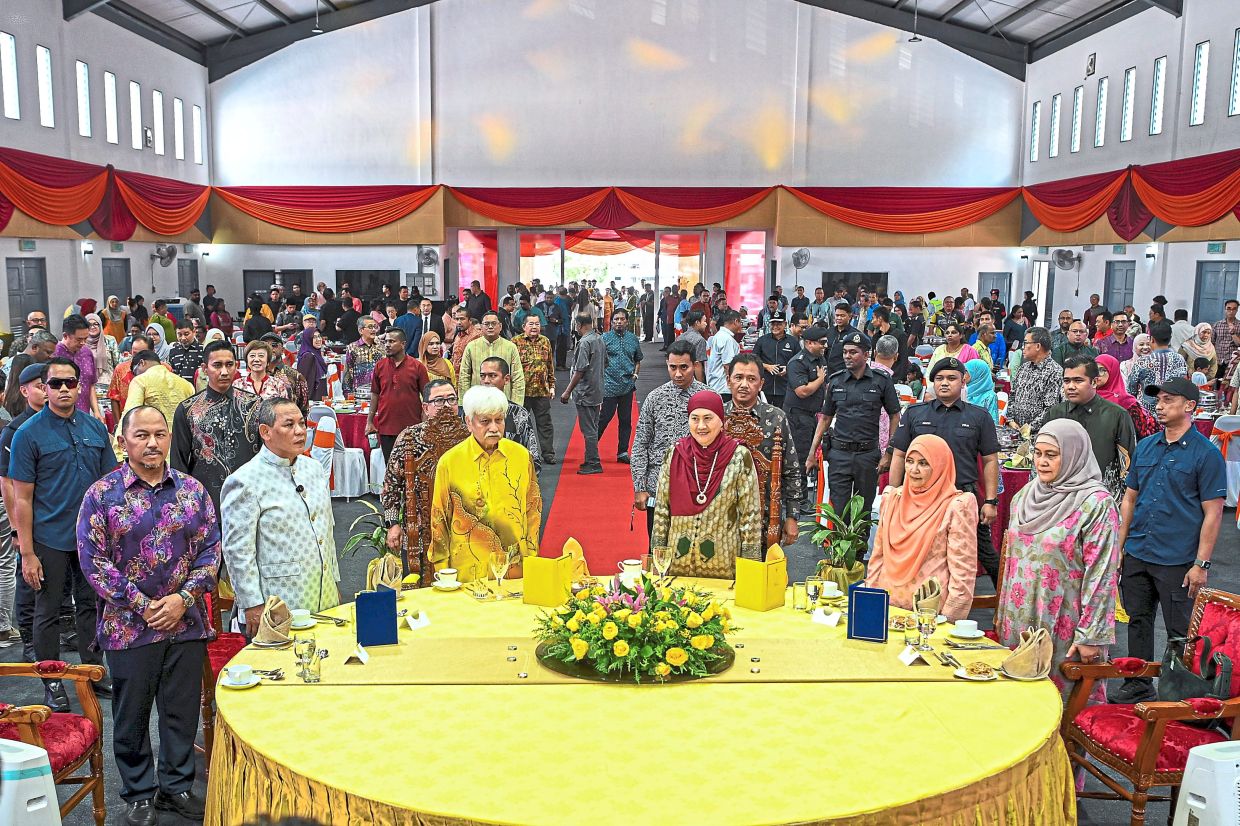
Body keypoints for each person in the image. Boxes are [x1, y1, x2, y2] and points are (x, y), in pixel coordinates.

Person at [77, 405, 219, 825]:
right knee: (132, 716)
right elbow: (93, 561)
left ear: (169, 439)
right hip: (128, 628)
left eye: (159, 434)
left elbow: (211, 549)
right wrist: (143, 605)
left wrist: (183, 599)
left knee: (180, 713)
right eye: (142, 435)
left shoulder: (192, 491)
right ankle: (138, 793)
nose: (152, 442)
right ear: (123, 441)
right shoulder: (102, 495)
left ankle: (176, 788)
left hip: (186, 623)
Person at [10, 357, 118, 709]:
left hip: (92, 538)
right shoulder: (27, 434)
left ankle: (92, 671)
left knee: (92, 605)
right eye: (55, 384)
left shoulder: (94, 428)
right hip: (49, 538)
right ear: (44, 388)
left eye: (70, 382)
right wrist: (27, 552)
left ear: (79, 386)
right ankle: (52, 680)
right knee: (49, 610)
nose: (63, 389)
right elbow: (22, 498)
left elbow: (109, 487)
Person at [1111, 378, 1227, 704]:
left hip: (1178, 558)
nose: (1159, 406)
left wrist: (1201, 563)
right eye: (1158, 400)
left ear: (1190, 406)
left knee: (1180, 631)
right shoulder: (1147, 446)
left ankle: (1177, 694)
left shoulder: (1206, 454)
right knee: (1138, 621)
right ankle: (1138, 683)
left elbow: (1213, 513)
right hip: (1138, 550)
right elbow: (1130, 499)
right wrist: (1120, 547)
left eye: (1168, 400)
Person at [998, 419, 1120, 701]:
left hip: (1064, 621)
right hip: (1018, 618)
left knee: (1058, 701)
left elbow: (1102, 573)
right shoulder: (1024, 496)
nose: (1041, 462)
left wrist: (1091, 635)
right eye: (1038, 453)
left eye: (1052, 455)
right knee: (1015, 700)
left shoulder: (1096, 504)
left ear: (1074, 454)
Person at [221, 399, 340, 631]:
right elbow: (237, 551)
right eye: (289, 425)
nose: (300, 431)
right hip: (277, 603)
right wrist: (252, 603)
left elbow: (326, 530)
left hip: (323, 595)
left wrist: (333, 581)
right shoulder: (245, 481)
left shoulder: (314, 469)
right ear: (266, 432)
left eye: (302, 423)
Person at [889, 356, 1001, 584]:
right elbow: (899, 454)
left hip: (962, 495)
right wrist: (893, 492)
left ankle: (1006, 599)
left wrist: (990, 501)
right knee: (919, 550)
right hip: (921, 497)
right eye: (939, 378)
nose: (945, 383)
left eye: (952, 378)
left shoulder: (979, 416)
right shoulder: (915, 413)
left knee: (984, 553)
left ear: (963, 382)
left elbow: (990, 460)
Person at [429, 386, 540, 582]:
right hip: (467, 572)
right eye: (485, 421)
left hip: (515, 567)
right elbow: (439, 520)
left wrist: (531, 556)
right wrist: (443, 571)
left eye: (499, 420)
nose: (494, 428)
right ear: (469, 422)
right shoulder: (450, 462)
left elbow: (533, 510)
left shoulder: (521, 456)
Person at [650, 390, 761, 577]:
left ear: (721, 420)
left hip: (725, 570)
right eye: (695, 419)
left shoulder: (738, 456)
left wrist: (750, 574)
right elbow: (661, 511)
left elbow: (750, 516)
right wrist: (657, 565)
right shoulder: (675, 454)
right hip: (677, 568)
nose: (701, 426)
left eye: (708, 418)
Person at [867, 434, 977, 620]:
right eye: (909, 461)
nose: (914, 470)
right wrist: (870, 600)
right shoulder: (893, 499)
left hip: (929, 614)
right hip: (885, 608)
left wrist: (949, 620)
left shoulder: (956, 506)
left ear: (941, 466)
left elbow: (963, 571)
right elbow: (878, 557)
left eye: (924, 463)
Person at [808, 332, 901, 520]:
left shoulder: (881, 380)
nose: (847, 356)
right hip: (839, 455)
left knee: (862, 515)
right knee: (839, 513)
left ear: (866, 355)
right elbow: (825, 419)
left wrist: (889, 453)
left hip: (867, 456)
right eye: (845, 352)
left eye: (853, 352)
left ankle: (859, 542)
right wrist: (811, 454)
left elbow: (895, 416)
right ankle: (840, 541)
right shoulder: (836, 381)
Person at [380, 380, 469, 569]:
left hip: (464, 532)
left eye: (451, 400)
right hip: (419, 534)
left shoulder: (468, 436)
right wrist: (393, 524)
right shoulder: (409, 438)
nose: (446, 406)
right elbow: (391, 485)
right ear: (426, 408)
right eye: (439, 401)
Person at [171, 340, 262, 514]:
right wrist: (186, 503)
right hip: (205, 501)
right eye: (217, 365)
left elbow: (265, 453)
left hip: (249, 499)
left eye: (229, 365)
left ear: (237, 366)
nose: (224, 372)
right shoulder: (188, 410)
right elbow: (179, 462)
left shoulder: (254, 405)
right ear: (205, 369)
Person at [631, 341, 709, 545]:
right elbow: (640, 444)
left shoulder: (708, 399)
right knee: (658, 547)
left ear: (695, 365)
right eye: (673, 367)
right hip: (658, 487)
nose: (678, 374)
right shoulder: (655, 398)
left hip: (697, 488)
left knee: (694, 549)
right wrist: (639, 486)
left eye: (684, 367)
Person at [725, 354, 802, 544]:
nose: (744, 384)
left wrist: (792, 516)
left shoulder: (776, 418)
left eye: (751, 379)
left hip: (766, 518)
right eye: (738, 377)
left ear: (761, 384)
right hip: (721, 518)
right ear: (728, 381)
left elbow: (791, 469)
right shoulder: (716, 416)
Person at [0, 364, 50, 658]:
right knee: (27, 578)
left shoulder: (60, 423)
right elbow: (7, 484)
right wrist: (16, 529)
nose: (47, 391)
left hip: (53, 516)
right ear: (24, 390)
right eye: (40, 386)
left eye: (48, 385)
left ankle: (56, 635)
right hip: (27, 516)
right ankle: (30, 642)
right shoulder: (15, 430)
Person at [1043, 356, 1136, 500]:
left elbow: (1128, 466)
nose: (1071, 386)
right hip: (1059, 496)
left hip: (1101, 498)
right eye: (1066, 381)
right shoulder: (1055, 414)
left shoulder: (1117, 415)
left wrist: (1122, 503)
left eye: (1078, 380)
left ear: (1094, 382)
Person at [367, 328, 429, 461]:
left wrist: (424, 422)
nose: (387, 345)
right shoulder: (379, 366)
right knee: (390, 467)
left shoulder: (417, 367)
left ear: (403, 344)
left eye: (391, 341)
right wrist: (370, 421)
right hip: (386, 427)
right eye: (386, 341)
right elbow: (375, 395)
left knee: (412, 467)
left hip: (412, 428)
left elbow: (427, 396)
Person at [784, 326, 829, 509]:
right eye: (822, 343)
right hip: (797, 416)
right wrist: (819, 379)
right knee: (800, 456)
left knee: (810, 454)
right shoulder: (797, 363)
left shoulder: (820, 359)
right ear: (809, 343)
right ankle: (799, 500)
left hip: (812, 415)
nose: (825, 346)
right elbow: (802, 391)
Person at [559, 314, 605, 475]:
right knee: (593, 426)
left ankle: (593, 462)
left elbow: (579, 370)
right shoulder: (599, 339)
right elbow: (605, 363)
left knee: (589, 430)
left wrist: (567, 391)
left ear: (579, 325)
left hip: (585, 391)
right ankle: (590, 459)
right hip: (597, 389)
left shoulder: (585, 342)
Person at [479, 357, 541, 473]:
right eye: (483, 376)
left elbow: (532, 459)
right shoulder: (471, 413)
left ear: (506, 379)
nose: (486, 381)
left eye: (492, 376)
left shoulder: (519, 414)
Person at [597, 309, 642, 464]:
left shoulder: (633, 339)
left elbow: (638, 359)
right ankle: (591, 449)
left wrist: (635, 376)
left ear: (627, 322)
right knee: (604, 418)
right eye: (616, 319)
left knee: (625, 420)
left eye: (622, 319)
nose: (619, 322)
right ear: (612, 321)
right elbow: (597, 359)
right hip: (609, 386)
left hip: (627, 386)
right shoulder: (604, 338)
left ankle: (622, 452)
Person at [124, 350, 196, 441]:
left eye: (135, 372)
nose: (136, 375)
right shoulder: (187, 384)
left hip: (154, 441)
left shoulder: (140, 380)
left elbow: (131, 414)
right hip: (182, 441)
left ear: (142, 363)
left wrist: (119, 445)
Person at [515, 315, 555, 468]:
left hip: (542, 391)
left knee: (545, 424)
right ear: (524, 326)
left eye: (537, 324)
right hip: (522, 392)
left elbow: (550, 365)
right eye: (531, 324)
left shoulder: (545, 341)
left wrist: (552, 385)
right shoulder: (515, 342)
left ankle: (548, 453)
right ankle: (523, 453)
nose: (534, 327)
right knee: (521, 425)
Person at [1126, 320, 1188, 416]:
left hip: (1148, 414)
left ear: (1152, 339)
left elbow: (1131, 390)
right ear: (1170, 338)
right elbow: (1183, 385)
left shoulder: (1143, 361)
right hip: (1172, 412)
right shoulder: (1180, 359)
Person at [1095, 354, 1161, 441]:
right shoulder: (1086, 396)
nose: (1097, 374)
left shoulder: (1126, 401)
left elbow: (1150, 429)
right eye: (1094, 370)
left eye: (1102, 370)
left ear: (1113, 371)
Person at [461, 313, 526, 402]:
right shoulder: (471, 347)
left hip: (504, 400)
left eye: (494, 323)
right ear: (481, 327)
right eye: (486, 324)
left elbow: (517, 378)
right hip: (477, 401)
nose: (490, 327)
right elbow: (464, 376)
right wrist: (463, 403)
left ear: (500, 326)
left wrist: (516, 404)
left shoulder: (511, 347)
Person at [1009, 327, 1063, 432]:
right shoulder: (1023, 368)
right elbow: (1012, 395)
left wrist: (1029, 428)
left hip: (1039, 434)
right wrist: (1010, 420)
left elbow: (1050, 408)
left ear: (1038, 346)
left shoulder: (1054, 371)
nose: (1023, 347)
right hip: (1016, 430)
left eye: (1026, 343)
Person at [54, 314, 105, 420]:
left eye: (85, 339)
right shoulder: (54, 354)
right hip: (61, 415)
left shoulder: (86, 352)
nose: (83, 343)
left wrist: (96, 411)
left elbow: (90, 384)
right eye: (78, 339)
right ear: (65, 336)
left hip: (84, 414)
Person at [4, 329, 57, 417]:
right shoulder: (11, 367)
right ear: (34, 347)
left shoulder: (42, 365)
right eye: (48, 352)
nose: (51, 356)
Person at [706, 310, 743, 400]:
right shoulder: (727, 339)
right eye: (740, 322)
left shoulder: (720, 335)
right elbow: (728, 365)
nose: (741, 326)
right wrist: (733, 384)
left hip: (717, 385)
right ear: (736, 321)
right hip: (724, 387)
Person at [343, 317, 384, 397]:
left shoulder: (382, 347)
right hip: (359, 394)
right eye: (370, 327)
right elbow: (348, 372)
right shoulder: (353, 347)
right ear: (361, 330)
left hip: (379, 393)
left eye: (375, 327)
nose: (373, 330)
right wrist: (347, 393)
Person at [83, 312, 120, 393]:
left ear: (100, 325)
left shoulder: (110, 340)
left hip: (108, 385)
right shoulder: (81, 343)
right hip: (88, 387)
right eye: (89, 325)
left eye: (96, 324)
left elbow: (117, 363)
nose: (92, 327)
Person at [167, 320, 203, 384]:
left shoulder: (202, 350)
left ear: (194, 332)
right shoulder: (173, 351)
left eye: (186, 334)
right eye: (179, 335)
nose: (183, 338)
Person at [964, 358, 999, 423]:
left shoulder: (990, 396)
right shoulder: (962, 391)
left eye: (966, 371)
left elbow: (993, 422)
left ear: (977, 374)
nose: (963, 374)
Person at [679, 311, 709, 383]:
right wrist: (701, 385)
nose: (706, 324)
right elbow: (698, 365)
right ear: (697, 322)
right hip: (693, 380)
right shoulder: (700, 340)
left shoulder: (680, 337)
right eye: (704, 321)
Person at [1214, 299, 1240, 374]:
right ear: (1225, 309)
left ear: (1237, 310)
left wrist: (1233, 333)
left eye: (1234, 309)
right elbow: (1212, 343)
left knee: (1230, 381)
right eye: (1229, 308)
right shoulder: (1217, 325)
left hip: (1232, 363)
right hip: (1217, 361)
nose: (1231, 311)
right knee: (1217, 380)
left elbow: (1239, 344)